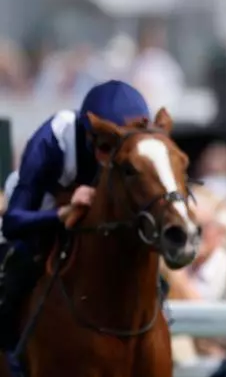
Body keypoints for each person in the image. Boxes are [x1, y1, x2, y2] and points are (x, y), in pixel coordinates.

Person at [0, 79, 150, 349]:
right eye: (106, 147)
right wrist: (61, 214)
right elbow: (13, 222)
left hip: (100, 230)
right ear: (87, 134)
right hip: (41, 216)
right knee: (17, 270)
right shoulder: (53, 139)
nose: (114, 159)